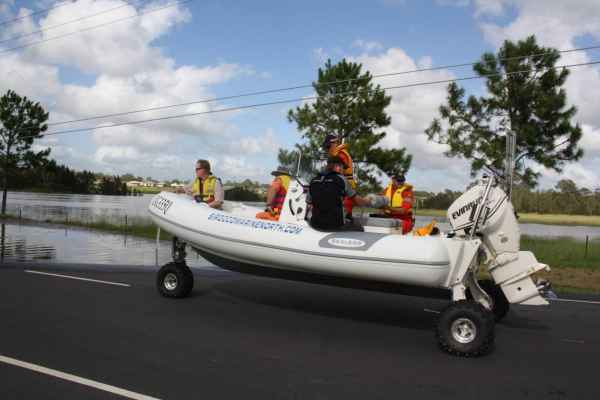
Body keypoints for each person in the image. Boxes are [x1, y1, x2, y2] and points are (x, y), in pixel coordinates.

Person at [307, 156, 371, 231]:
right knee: (360, 228)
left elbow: (309, 202)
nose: (343, 171)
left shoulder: (313, 180)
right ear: (338, 166)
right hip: (335, 226)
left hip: (315, 225)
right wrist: (368, 201)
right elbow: (359, 202)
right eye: (343, 168)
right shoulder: (341, 179)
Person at [323, 134, 355, 219]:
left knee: (344, 210)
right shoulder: (338, 153)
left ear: (334, 144)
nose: (327, 149)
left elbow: (339, 170)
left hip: (345, 184)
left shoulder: (341, 154)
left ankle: (346, 221)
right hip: (343, 182)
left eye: (327, 146)